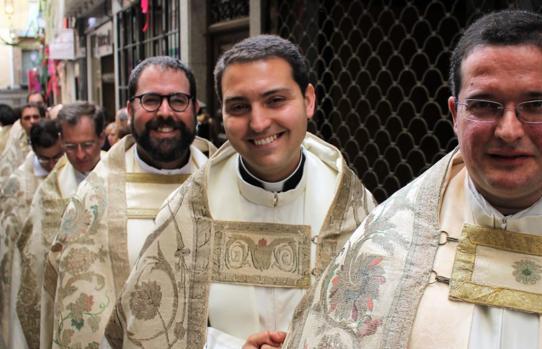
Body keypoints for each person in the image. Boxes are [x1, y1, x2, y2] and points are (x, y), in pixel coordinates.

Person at [279, 10, 542, 349]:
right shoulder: (388, 243)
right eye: (485, 105)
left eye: (537, 105)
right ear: (455, 115)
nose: (509, 130)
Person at [103, 35, 376, 349]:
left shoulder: (353, 209)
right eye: (239, 107)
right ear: (222, 114)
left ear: (308, 100)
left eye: (275, 100)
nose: (258, 123)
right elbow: (151, 328)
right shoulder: (187, 211)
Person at [40, 57, 216, 349]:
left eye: (177, 100)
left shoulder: (221, 181)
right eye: (150, 100)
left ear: (195, 108)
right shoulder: (95, 198)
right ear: (130, 107)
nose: (164, 112)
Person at [14, 102, 106, 349]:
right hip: (66, 303)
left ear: (102, 137)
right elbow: (33, 252)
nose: (80, 155)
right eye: (69, 146)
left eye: (87, 145)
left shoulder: (120, 177)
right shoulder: (50, 191)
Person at [0, 119, 63, 348]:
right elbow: (9, 236)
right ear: (34, 151)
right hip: (29, 267)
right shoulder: (17, 184)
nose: (52, 165)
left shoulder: (70, 171)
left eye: (57, 156)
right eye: (45, 159)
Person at [0, 103, 46, 184]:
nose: (32, 121)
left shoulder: (52, 139)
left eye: (35, 117)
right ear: (21, 123)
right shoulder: (15, 144)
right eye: (27, 118)